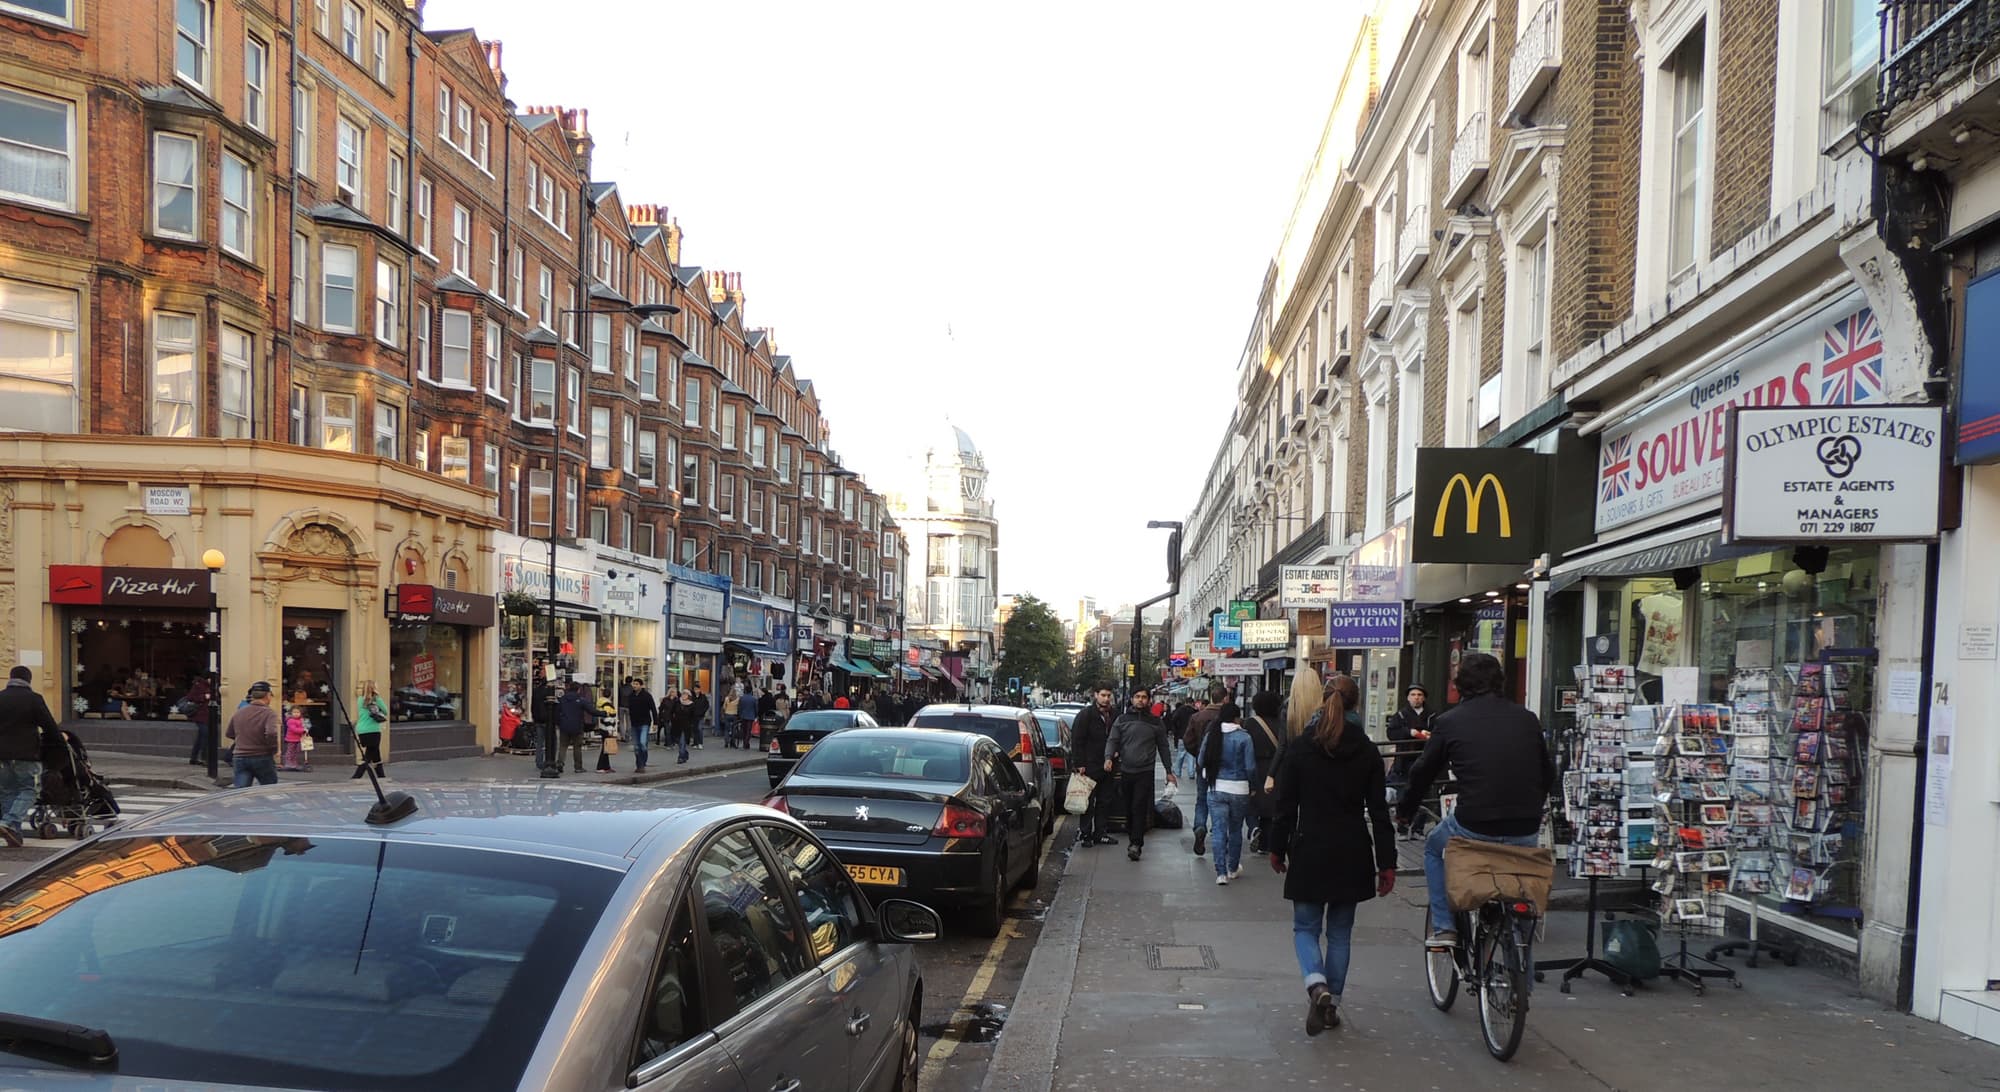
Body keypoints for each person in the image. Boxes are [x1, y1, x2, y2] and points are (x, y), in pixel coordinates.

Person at [1397, 652, 1557, 948]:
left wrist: (1405, 811)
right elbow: (1548, 772)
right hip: (1525, 824)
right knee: (1519, 895)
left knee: (1433, 847)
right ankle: (1522, 959)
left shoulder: (1450, 721)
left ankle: (1444, 927)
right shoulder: (1526, 718)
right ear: (1500, 681)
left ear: (1460, 685)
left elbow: (1422, 772)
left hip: (1475, 822)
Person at [1269, 678, 1396, 1036]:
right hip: (1352, 850)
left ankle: (1316, 985)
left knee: (1305, 928)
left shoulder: (1301, 748)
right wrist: (1387, 862)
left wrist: (1277, 847)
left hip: (1310, 846)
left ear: (1322, 702)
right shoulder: (1367, 751)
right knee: (1340, 934)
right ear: (1356, 705)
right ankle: (1331, 1004)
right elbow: (1379, 812)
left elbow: (1285, 806)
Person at [1103, 687, 1177, 861]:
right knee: (1129, 807)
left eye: (1144, 697)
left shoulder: (1156, 722)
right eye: (1137, 697)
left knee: (1139, 806)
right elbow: (1113, 740)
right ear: (1132, 699)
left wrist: (1169, 771)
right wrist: (1108, 757)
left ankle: (1136, 843)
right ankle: (1132, 836)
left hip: (1145, 771)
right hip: (1126, 770)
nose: (1140, 700)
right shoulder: (1122, 720)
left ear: (1149, 700)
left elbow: (1163, 747)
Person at [0, 665, 59, 848]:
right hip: (26, 754)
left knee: (8, 791)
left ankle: (14, 833)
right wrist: (58, 742)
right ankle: (9, 822)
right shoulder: (34, 699)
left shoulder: (1, 697)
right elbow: (49, 725)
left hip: (2, 756)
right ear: (29, 680)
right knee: (29, 790)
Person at [1201, 702, 1257, 885]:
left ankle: (1221, 873)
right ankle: (1233, 868)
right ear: (1237, 718)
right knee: (1235, 830)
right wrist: (1253, 786)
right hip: (1239, 789)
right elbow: (1250, 767)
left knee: (1218, 830)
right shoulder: (1244, 738)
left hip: (1217, 788)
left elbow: (1201, 760)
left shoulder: (1212, 735)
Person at [1068, 686, 1119, 848]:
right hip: (1090, 765)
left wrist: (1117, 752)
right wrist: (1079, 763)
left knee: (1105, 800)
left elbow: (1119, 736)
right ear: (1096, 695)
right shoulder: (1086, 715)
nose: (1106, 698)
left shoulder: (1115, 715)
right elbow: (1077, 740)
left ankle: (1100, 833)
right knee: (1087, 802)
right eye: (1103, 695)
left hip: (1108, 765)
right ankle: (1086, 834)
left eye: (1108, 695)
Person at [1182, 685, 1226, 857]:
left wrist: (1199, 754)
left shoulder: (1197, 716)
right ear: (1225, 698)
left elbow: (1188, 740)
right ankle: (1219, 832)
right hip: (1224, 766)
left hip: (1203, 766)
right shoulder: (1228, 716)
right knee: (1221, 801)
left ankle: (1200, 826)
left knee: (1201, 799)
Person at [1243, 690, 1287, 854]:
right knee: (1271, 807)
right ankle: (1266, 843)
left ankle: (1255, 828)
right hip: (1276, 768)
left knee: (1253, 803)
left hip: (1255, 766)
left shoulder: (1250, 723)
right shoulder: (1282, 723)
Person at [226, 681, 283, 788]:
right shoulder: (269, 713)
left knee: (241, 791)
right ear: (268, 695)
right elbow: (271, 733)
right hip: (262, 755)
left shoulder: (239, 712)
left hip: (240, 756)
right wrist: (273, 749)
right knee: (269, 789)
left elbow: (229, 733)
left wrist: (244, 740)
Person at [1385, 684, 1433, 785]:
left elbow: (1440, 733)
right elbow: (1391, 733)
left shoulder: (1432, 715)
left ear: (1424, 698)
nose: (1416, 697)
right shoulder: (1400, 715)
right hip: (1404, 761)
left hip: (1425, 759)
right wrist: (1408, 732)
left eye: (1419, 695)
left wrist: (1430, 734)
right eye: (1413, 694)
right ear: (1408, 698)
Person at [351, 681, 389, 779]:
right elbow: (385, 711)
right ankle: (357, 775)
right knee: (369, 754)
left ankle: (381, 776)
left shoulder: (360, 700)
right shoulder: (376, 699)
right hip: (373, 730)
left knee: (375, 753)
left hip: (362, 729)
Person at [557, 682, 594, 773]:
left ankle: (560, 763)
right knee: (577, 747)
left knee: (563, 746)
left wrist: (559, 722)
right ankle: (578, 767)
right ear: (578, 690)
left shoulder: (562, 699)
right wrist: (603, 713)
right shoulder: (580, 700)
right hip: (577, 726)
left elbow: (557, 711)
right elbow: (591, 710)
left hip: (565, 725)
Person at [184, 674, 214, 766]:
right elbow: (190, 697)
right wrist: (205, 697)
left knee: (201, 737)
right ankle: (204, 759)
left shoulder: (211, 686)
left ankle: (194, 758)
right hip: (199, 715)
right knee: (205, 735)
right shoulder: (199, 685)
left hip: (207, 715)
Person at [629, 681, 657, 773]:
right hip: (634, 723)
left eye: (637, 684)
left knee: (642, 743)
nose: (634, 686)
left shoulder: (647, 696)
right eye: (634, 684)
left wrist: (655, 723)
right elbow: (630, 709)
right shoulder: (631, 696)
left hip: (645, 722)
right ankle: (639, 765)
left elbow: (653, 709)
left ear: (641, 686)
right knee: (636, 746)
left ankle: (643, 761)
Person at [280, 703, 309, 771]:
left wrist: (305, 730)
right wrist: (302, 730)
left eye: (298, 712)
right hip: (291, 739)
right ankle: (288, 763)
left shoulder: (301, 720)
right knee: (290, 751)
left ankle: (294, 763)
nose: (296, 714)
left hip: (298, 739)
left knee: (296, 752)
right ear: (291, 713)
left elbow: (304, 726)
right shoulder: (290, 721)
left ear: (300, 713)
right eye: (294, 712)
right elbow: (294, 729)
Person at [721, 683, 742, 749]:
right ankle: (733, 743)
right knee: (733, 730)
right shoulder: (737, 699)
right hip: (734, 715)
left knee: (726, 729)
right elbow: (739, 708)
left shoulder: (727, 698)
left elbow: (724, 707)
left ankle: (726, 742)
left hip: (727, 714)